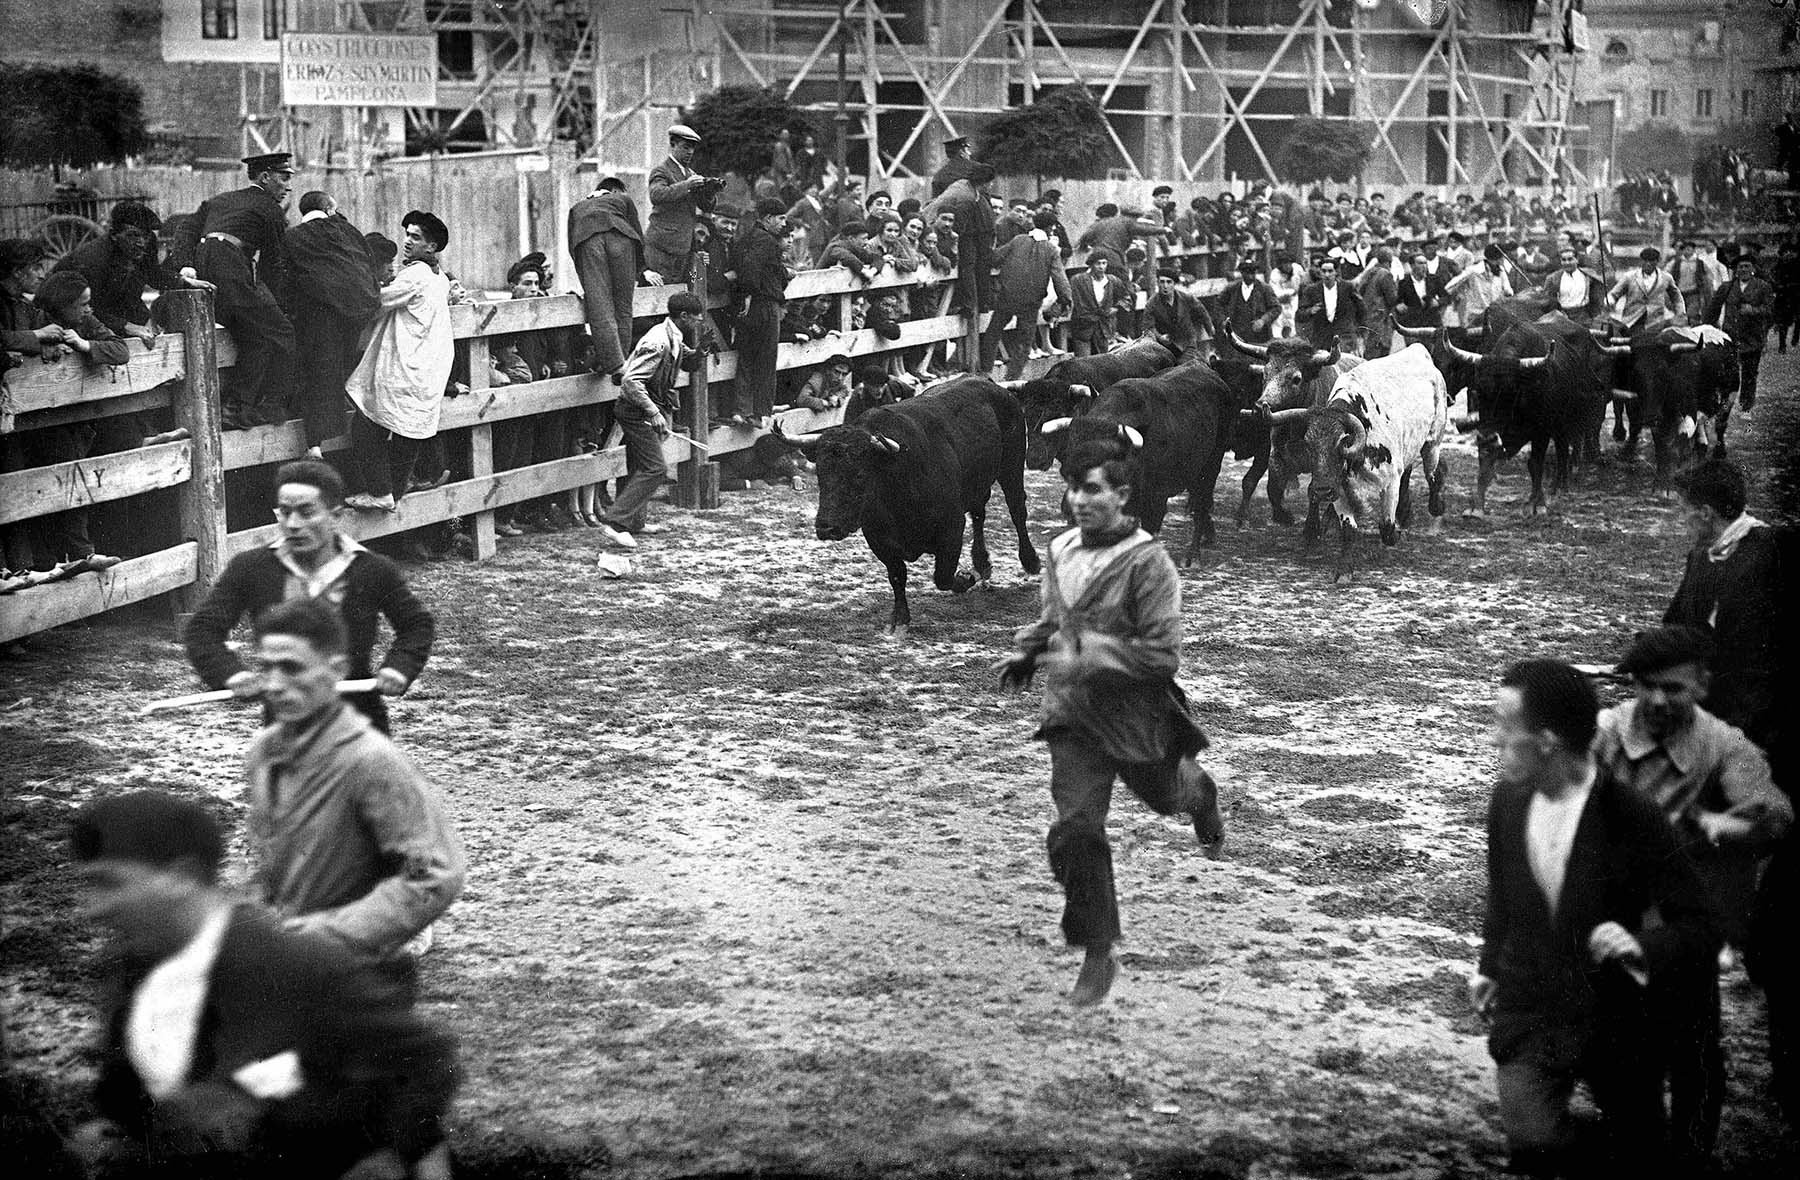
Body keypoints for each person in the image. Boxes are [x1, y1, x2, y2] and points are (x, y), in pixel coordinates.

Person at [66, 790, 457, 1180]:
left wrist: (414, 1153)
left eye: (110, 884)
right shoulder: (129, 967)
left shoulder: (300, 967)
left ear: (182, 878)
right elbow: (129, 1096)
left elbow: (423, 1061)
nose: (92, 909)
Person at [994, 435, 1225, 1008]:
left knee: (1165, 796)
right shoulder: (1060, 550)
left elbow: (1163, 655)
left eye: (1092, 489)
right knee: (1074, 829)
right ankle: (1099, 949)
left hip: (1136, 717)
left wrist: (1095, 653)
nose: (1078, 500)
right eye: (1073, 487)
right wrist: (1030, 651)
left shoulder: (1150, 564)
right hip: (1072, 716)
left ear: (1122, 494)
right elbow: (1055, 620)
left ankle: (1198, 794)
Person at [1470, 659, 1718, 1177]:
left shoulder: (1632, 816)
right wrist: (1490, 964)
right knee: (1534, 1145)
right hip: (1531, 1009)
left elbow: (1699, 923)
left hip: (1618, 1022)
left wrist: (1639, 945)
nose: (1493, 740)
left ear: (1547, 741)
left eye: (1505, 728)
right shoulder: (1507, 802)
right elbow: (1506, 895)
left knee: (1640, 1153)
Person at [1594, 626, 1792, 1172]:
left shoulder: (1725, 745)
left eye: (1674, 688)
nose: (1657, 700)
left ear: (1702, 685)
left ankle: (1692, 1151)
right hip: (1614, 908)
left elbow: (1773, 816)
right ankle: (1629, 1139)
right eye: (1647, 686)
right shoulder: (1606, 733)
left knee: (1693, 1048)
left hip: (1687, 920)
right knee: (1616, 1040)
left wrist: (1712, 822)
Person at [243, 598, 464, 974]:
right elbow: (276, 863)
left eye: (292, 668)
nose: (275, 686)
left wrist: (325, 936)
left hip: (361, 972)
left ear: (336, 671)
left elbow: (436, 874)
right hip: (290, 965)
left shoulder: (370, 760)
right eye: (266, 668)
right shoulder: (264, 752)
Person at [183, 458, 432, 735]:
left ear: (336, 516)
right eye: (285, 512)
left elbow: (416, 625)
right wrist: (232, 674)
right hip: (285, 722)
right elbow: (203, 629)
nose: (293, 524)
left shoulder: (372, 569)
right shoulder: (251, 567)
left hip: (359, 720)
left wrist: (398, 668)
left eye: (306, 512)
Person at [167, 152, 297, 429]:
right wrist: (278, 305)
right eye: (284, 178)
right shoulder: (270, 209)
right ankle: (264, 407)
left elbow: (185, 229)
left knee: (256, 339)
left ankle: (235, 408)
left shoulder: (220, 200)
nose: (289, 186)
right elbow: (274, 266)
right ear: (265, 177)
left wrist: (186, 266)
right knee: (283, 333)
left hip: (207, 270)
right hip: (231, 270)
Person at [343, 211, 454, 512]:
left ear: (431, 247)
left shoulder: (415, 276)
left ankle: (382, 491)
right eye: (407, 234)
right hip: (426, 366)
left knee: (367, 425)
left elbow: (374, 303)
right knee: (408, 430)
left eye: (415, 237)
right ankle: (394, 491)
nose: (407, 241)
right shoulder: (439, 278)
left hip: (406, 365)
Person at [593, 291, 704, 550]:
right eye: (696, 319)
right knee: (656, 469)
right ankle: (616, 523)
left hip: (642, 407)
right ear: (684, 316)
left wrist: (699, 353)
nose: (698, 323)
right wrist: (653, 412)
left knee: (638, 465)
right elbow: (631, 381)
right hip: (635, 410)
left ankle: (634, 522)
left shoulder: (672, 334)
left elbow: (683, 359)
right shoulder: (658, 341)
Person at [281, 191, 379, 454]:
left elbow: (285, 280)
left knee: (318, 375)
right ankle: (344, 430)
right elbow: (368, 263)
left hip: (318, 316)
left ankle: (315, 446)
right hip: (357, 314)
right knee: (343, 370)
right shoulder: (347, 230)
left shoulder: (292, 237)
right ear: (329, 208)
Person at [570, 174, 659, 382]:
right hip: (623, 240)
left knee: (599, 303)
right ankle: (622, 359)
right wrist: (643, 269)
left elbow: (572, 245)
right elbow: (637, 233)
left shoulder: (578, 207)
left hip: (588, 241)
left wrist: (586, 276)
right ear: (616, 191)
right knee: (623, 305)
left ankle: (614, 363)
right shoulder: (623, 200)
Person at [51, 199, 167, 343]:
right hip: (67, 314)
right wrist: (127, 326)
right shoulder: (92, 260)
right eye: (133, 235)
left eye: (145, 235)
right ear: (113, 235)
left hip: (104, 311)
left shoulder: (146, 245)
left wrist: (146, 320)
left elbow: (132, 294)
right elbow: (90, 308)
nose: (141, 243)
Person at [982, 209, 1070, 379]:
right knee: (1024, 342)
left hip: (1007, 296)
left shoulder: (1018, 240)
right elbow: (1060, 279)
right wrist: (1064, 301)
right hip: (1030, 301)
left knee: (993, 331)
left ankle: (985, 371)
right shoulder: (1051, 249)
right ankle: (1011, 379)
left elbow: (995, 258)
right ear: (1051, 228)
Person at [730, 198, 793, 428]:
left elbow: (743, 263)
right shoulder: (767, 241)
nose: (784, 224)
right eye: (781, 218)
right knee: (766, 359)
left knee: (746, 357)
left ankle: (741, 409)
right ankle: (758, 413)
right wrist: (750, 291)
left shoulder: (747, 237)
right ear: (767, 219)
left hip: (752, 305)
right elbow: (751, 268)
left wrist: (746, 295)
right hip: (765, 305)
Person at [920, 162, 998, 327]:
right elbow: (959, 222)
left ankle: (979, 302)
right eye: (989, 182)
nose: (990, 186)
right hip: (950, 228)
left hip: (959, 227)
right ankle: (971, 304)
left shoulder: (966, 186)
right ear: (982, 182)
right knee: (968, 266)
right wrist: (957, 237)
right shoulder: (966, 197)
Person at [1702, 255, 1774, 413]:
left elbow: (1770, 311)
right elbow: (1713, 309)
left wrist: (1754, 310)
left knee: (1749, 372)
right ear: (1735, 270)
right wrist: (1705, 328)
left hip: (1753, 337)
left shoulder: (1763, 287)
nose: (1744, 270)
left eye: (1747, 266)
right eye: (1740, 267)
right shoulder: (1727, 287)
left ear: (1753, 269)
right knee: (1728, 372)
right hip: (1730, 337)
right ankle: (1726, 404)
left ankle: (1746, 406)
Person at [645, 124, 717, 280]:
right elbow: (657, 195)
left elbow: (705, 206)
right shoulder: (661, 171)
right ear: (672, 144)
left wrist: (710, 193)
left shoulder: (691, 174)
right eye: (685, 147)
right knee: (661, 293)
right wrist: (688, 185)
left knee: (680, 294)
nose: (690, 152)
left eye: (692, 148)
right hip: (662, 246)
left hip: (684, 246)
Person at [1143, 268, 1214, 364]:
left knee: (1186, 366)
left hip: (1187, 343)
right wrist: (1160, 337)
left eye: (1169, 282)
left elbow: (1201, 311)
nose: (1165, 286)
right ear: (1158, 283)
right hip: (1165, 348)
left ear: (1174, 284)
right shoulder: (1152, 304)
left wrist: (1209, 327)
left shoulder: (1186, 298)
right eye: (1162, 282)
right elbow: (1149, 327)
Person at [1607, 247, 1683, 335]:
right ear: (1641, 261)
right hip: (1632, 321)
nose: (1648, 264)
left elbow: (1676, 297)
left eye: (1652, 261)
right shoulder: (1629, 277)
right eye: (1645, 261)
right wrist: (1610, 301)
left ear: (1657, 262)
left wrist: (1680, 313)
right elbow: (1614, 294)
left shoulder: (1666, 278)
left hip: (1656, 322)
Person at [1214, 257, 1282, 354]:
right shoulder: (1232, 288)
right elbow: (1218, 304)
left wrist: (1263, 320)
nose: (1250, 276)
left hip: (1259, 337)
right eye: (1247, 273)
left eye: (1253, 273)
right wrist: (1223, 320)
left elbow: (1276, 308)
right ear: (1242, 273)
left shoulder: (1264, 289)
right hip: (1236, 335)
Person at [1068, 253, 1129, 357]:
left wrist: (1116, 308)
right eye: (1098, 264)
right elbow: (1071, 299)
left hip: (1103, 328)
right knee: (1083, 362)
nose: (1101, 267)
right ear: (1091, 265)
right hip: (1083, 326)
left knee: (1101, 362)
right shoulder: (1078, 280)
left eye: (1104, 263)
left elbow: (1126, 298)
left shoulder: (1112, 281)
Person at [1295, 257, 1362, 352]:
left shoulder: (1347, 287)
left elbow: (1360, 308)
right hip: (1321, 338)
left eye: (1330, 271)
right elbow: (1300, 314)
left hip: (1343, 337)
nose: (1327, 275)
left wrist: (1357, 329)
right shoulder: (1311, 290)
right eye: (1324, 271)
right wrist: (1310, 311)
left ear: (1336, 272)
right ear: (1320, 272)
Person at [1445, 243, 1514, 334]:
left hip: (1494, 316)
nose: (1504, 259)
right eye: (1502, 257)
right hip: (1475, 316)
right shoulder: (1473, 271)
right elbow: (1450, 286)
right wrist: (1460, 293)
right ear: (1497, 258)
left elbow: (1508, 291)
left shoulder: (1501, 271)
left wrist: (1507, 294)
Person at [1537, 245, 1604, 325]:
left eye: (1570, 259)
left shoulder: (1588, 276)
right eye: (1563, 260)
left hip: (1583, 317)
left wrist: (1592, 316)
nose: (1567, 263)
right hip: (1561, 318)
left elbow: (1596, 299)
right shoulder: (1553, 278)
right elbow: (1548, 301)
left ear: (1577, 260)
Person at [1354, 245, 1399, 357]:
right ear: (1390, 260)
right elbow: (1392, 299)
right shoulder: (1386, 274)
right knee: (1380, 353)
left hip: (1367, 318)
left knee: (1369, 351)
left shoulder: (1369, 272)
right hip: (1381, 319)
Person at [1395, 251, 1449, 330]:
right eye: (1420, 263)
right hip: (1412, 324)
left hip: (1432, 323)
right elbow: (1397, 301)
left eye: (1425, 263)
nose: (1424, 266)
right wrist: (1398, 306)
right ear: (1412, 265)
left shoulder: (1434, 280)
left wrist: (1438, 302)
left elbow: (1447, 297)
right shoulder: (1403, 283)